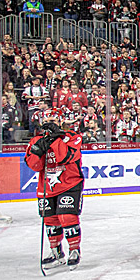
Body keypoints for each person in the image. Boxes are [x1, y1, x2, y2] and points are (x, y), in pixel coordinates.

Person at [25, 108, 85, 270]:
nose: (50, 124)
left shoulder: (73, 137)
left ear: (60, 122)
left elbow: (65, 157)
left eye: (54, 121)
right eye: (47, 122)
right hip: (47, 186)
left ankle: (74, 250)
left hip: (70, 184)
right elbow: (34, 166)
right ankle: (56, 252)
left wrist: (55, 139)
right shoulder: (36, 140)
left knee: (67, 217)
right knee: (50, 220)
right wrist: (38, 150)